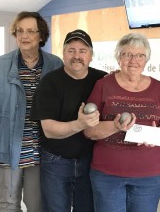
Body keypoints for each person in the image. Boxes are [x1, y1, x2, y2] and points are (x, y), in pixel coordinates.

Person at [0, 11, 63, 212]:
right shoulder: (0, 65)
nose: (24, 36)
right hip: (7, 149)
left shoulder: (55, 64)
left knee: (37, 206)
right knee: (8, 205)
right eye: (20, 31)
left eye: (31, 31)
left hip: (41, 152)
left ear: (41, 36)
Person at [84, 32, 160, 212]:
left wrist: (156, 136)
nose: (134, 60)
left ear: (146, 59)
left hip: (149, 176)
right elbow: (88, 130)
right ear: (119, 58)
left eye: (140, 55)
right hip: (107, 174)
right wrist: (115, 126)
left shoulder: (158, 88)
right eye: (127, 54)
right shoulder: (103, 85)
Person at [30, 29, 107, 212]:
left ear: (91, 55)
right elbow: (48, 129)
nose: (77, 56)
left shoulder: (102, 79)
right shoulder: (50, 82)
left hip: (90, 160)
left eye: (82, 51)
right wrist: (81, 124)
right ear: (63, 54)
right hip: (56, 161)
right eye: (71, 50)